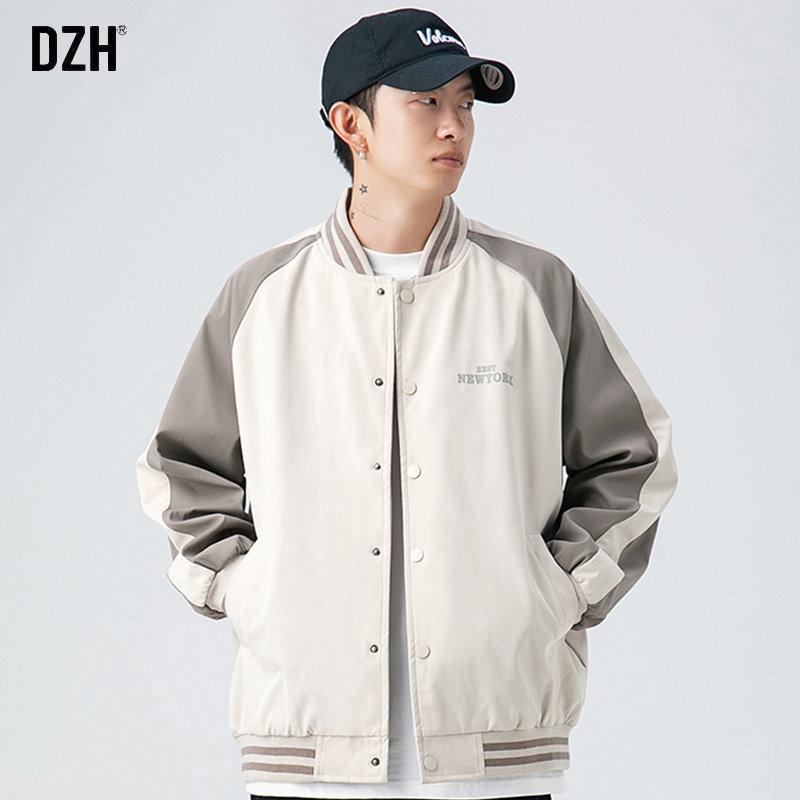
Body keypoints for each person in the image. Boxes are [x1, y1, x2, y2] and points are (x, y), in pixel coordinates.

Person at [135, 8, 678, 800]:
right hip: (306, 747)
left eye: (465, 103)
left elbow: (636, 458)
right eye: (426, 102)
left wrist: (557, 591)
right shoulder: (264, 294)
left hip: (497, 746)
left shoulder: (532, 286)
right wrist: (245, 590)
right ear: (350, 124)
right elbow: (181, 467)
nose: (454, 125)